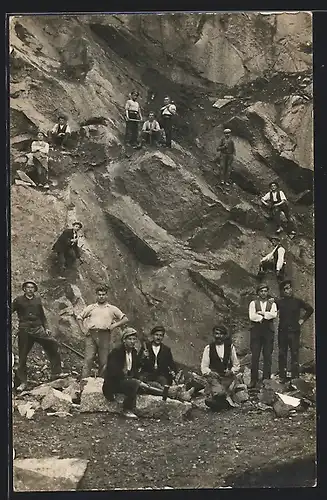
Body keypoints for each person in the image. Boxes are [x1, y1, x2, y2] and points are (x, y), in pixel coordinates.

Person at [12, 280, 67, 392]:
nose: (30, 289)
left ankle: (56, 373)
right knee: (22, 356)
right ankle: (22, 382)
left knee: (53, 344)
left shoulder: (37, 300)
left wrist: (46, 328)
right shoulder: (18, 300)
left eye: (32, 287)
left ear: (34, 289)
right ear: (24, 289)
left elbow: (42, 316)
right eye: (28, 287)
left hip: (38, 329)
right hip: (25, 330)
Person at [77, 286, 128, 378]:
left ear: (106, 295)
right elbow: (79, 317)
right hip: (91, 334)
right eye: (99, 295)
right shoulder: (91, 307)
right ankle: (83, 383)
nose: (101, 297)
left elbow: (125, 319)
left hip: (104, 334)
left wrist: (114, 325)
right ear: (96, 295)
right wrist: (83, 329)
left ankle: (102, 383)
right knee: (88, 359)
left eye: (103, 295)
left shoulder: (112, 308)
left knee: (103, 360)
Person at [276, 280, 314, 383]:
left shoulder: (298, 301)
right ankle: (282, 377)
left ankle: (295, 377)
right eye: (285, 289)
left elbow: (310, 309)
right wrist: (271, 301)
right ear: (283, 291)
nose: (288, 290)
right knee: (282, 354)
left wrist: (302, 320)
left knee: (294, 353)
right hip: (282, 331)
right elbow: (271, 309)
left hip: (294, 332)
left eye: (289, 288)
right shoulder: (279, 302)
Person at [200, 326, 245, 410]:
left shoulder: (230, 347)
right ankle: (223, 402)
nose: (218, 336)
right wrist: (210, 372)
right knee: (219, 391)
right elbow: (204, 367)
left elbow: (236, 365)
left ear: (224, 336)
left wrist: (231, 371)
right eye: (216, 334)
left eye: (221, 334)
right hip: (214, 378)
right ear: (213, 335)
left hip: (227, 377)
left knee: (225, 389)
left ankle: (220, 403)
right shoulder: (209, 348)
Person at [248, 284, 278, 388]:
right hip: (256, 332)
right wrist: (263, 317)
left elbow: (273, 315)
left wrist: (262, 313)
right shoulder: (253, 303)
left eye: (265, 291)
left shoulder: (272, 303)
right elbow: (252, 316)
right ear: (258, 292)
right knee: (255, 356)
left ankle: (266, 380)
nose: (263, 293)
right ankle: (253, 380)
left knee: (267, 356)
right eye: (261, 291)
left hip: (268, 332)